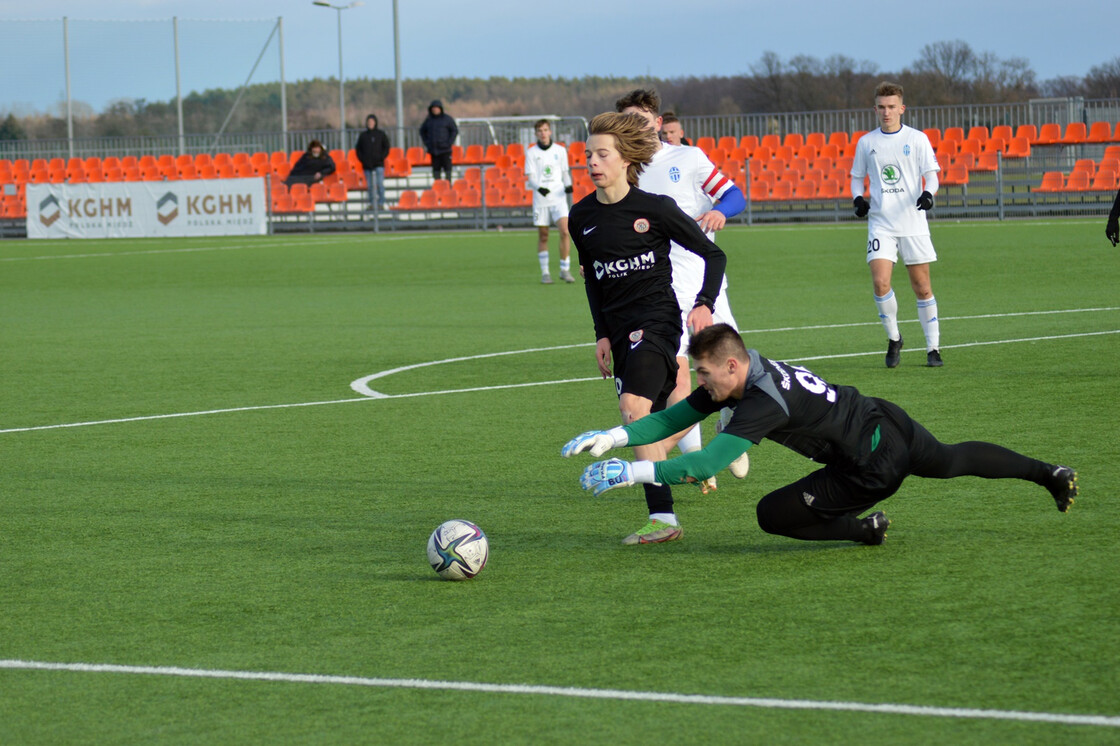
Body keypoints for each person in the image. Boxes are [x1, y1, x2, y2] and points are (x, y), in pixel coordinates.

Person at [563, 323, 1079, 546]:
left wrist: (633, 472)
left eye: (703, 373)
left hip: (870, 463)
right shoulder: (742, 376)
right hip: (883, 417)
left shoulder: (760, 401)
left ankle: (864, 528)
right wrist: (613, 436)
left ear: (732, 365)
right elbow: (673, 419)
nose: (698, 382)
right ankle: (1049, 474)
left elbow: (703, 465)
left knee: (771, 514)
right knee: (949, 458)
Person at [567, 111, 727, 545]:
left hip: (657, 322)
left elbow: (715, 256)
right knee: (650, 422)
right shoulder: (580, 217)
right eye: (588, 155)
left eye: (602, 154)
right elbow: (595, 282)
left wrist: (704, 303)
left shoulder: (654, 208)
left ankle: (663, 518)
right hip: (619, 332)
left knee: (634, 411)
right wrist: (601, 333)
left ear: (625, 160)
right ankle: (672, 507)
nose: (593, 162)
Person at [615, 89, 747, 492]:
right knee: (681, 376)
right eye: (627, 120)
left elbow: (734, 194)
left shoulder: (687, 159)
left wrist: (719, 211)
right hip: (659, 284)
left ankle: (730, 423)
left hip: (703, 276)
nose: (634, 126)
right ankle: (697, 461)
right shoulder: (624, 168)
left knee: (731, 368)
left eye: (641, 118)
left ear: (657, 122)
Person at [851, 81, 943, 369]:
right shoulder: (867, 143)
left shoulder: (917, 139)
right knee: (880, 283)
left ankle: (933, 348)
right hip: (881, 223)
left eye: (891, 107)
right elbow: (856, 177)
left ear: (901, 108)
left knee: (922, 287)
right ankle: (894, 338)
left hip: (912, 222)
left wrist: (928, 194)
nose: (886, 112)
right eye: (881, 107)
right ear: (875, 108)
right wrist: (858, 198)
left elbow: (932, 175)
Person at [524, 119, 575, 284]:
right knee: (544, 235)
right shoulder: (531, 153)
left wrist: (568, 185)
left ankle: (565, 269)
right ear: (536, 133)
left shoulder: (560, 150)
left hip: (558, 198)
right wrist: (539, 188)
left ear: (550, 131)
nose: (543, 133)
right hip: (540, 200)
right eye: (540, 131)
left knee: (565, 231)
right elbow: (530, 178)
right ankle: (545, 272)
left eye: (545, 130)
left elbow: (565, 172)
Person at [355, 114, 391, 211]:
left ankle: (381, 203)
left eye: (372, 122)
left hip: (379, 164)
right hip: (367, 165)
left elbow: (386, 147)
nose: (370, 124)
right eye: (369, 122)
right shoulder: (363, 136)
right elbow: (358, 150)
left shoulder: (381, 134)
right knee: (370, 186)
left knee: (379, 184)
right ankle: (371, 203)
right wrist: (363, 159)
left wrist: (381, 157)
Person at [419, 99, 458, 182]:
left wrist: (449, 142)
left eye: (436, 108)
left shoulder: (447, 119)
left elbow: (454, 130)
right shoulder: (428, 121)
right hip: (434, 151)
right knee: (436, 174)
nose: (435, 110)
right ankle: (438, 191)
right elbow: (422, 131)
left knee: (448, 173)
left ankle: (448, 191)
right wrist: (427, 143)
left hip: (445, 150)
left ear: (440, 109)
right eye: (433, 108)